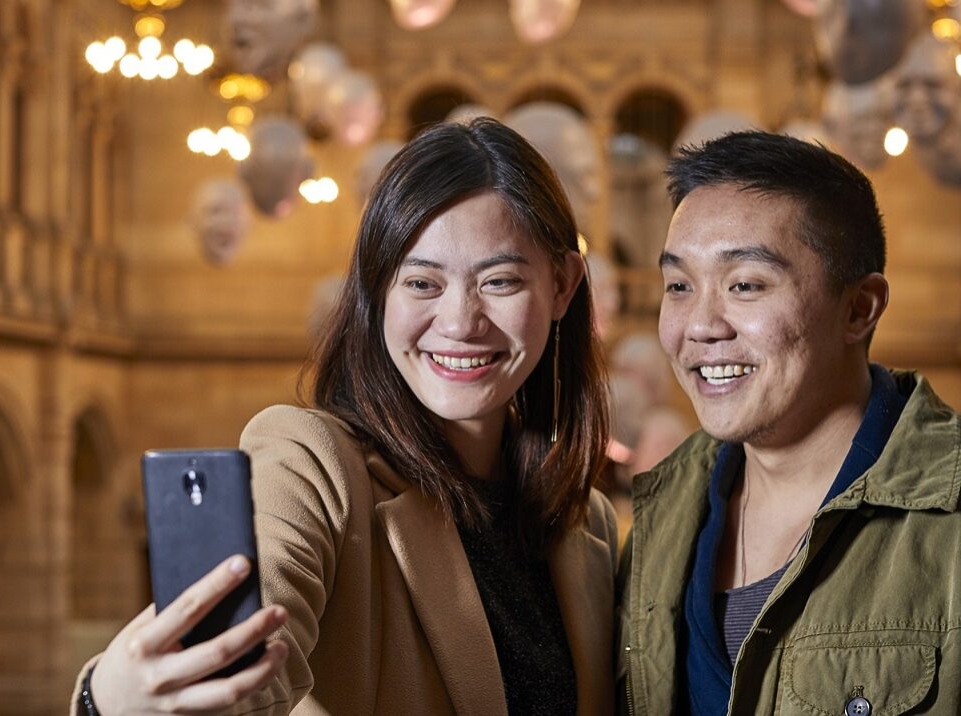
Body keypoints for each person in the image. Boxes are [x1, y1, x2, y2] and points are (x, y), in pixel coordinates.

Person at [74, 118, 619, 715]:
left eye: (500, 281)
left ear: (563, 284)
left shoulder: (582, 519)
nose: (461, 321)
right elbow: (254, 647)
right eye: (421, 282)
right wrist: (115, 697)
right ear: (378, 291)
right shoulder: (311, 463)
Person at [617, 131, 961, 714]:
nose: (700, 326)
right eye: (679, 286)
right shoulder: (661, 506)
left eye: (745, 285)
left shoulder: (947, 518)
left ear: (859, 308)